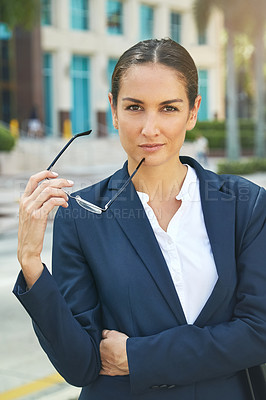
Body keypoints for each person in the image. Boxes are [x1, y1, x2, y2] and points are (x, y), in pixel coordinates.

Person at [14, 39, 266, 400]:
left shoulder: (246, 203)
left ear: (192, 112)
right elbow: (79, 365)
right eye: (135, 107)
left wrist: (137, 355)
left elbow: (259, 332)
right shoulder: (81, 215)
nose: (150, 128)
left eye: (168, 108)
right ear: (114, 111)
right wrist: (30, 263)